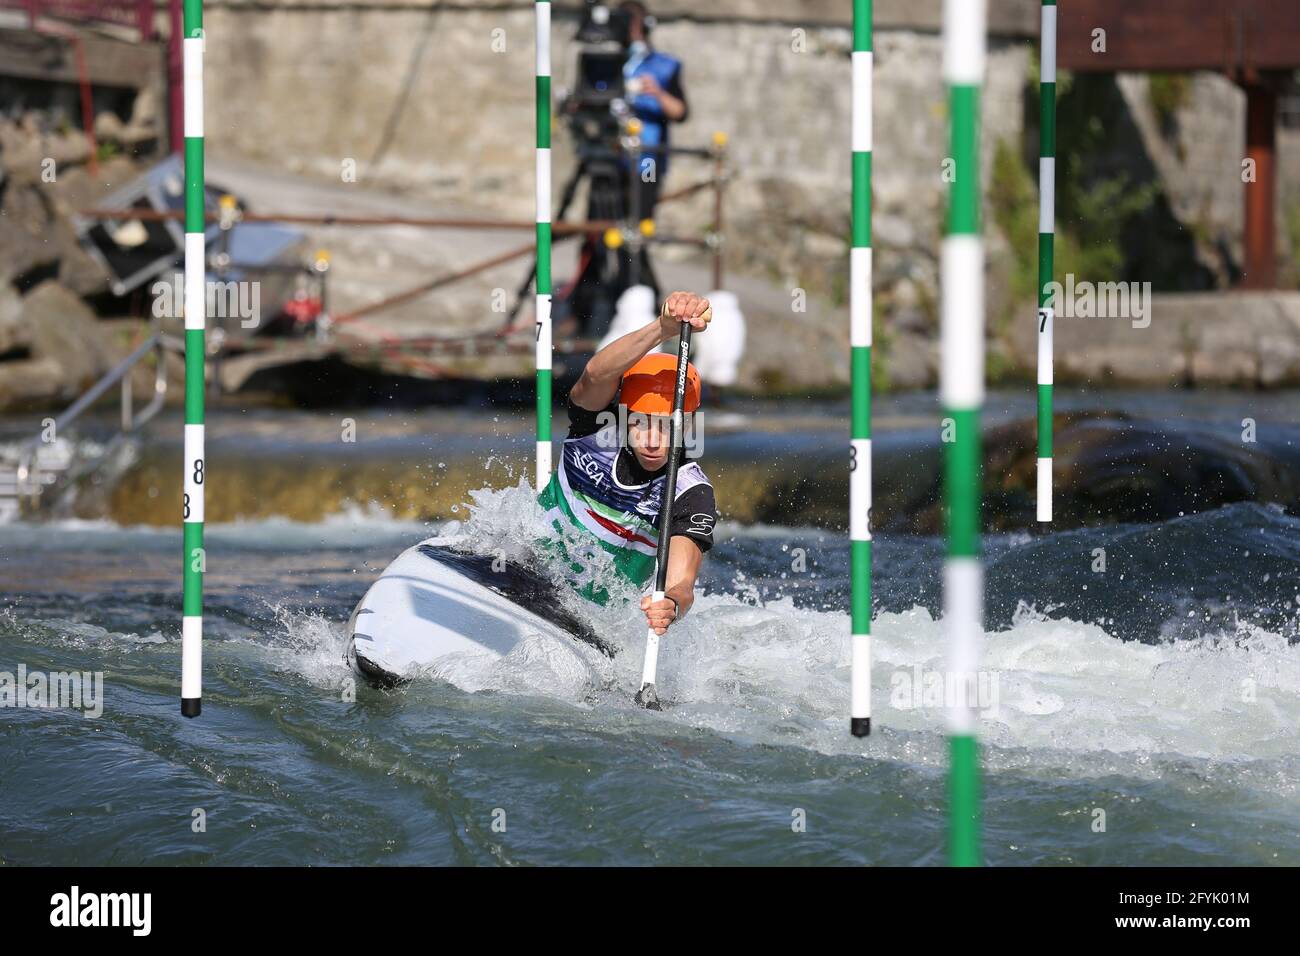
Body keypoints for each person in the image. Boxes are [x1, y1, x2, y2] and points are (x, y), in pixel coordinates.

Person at [538, 291, 716, 637]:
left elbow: (681, 581)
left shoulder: (690, 493)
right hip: (527, 569)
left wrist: (672, 605)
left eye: (667, 426)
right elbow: (594, 374)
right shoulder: (592, 428)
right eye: (642, 422)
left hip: (588, 623)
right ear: (624, 416)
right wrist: (662, 329)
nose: (652, 439)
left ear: (689, 427)